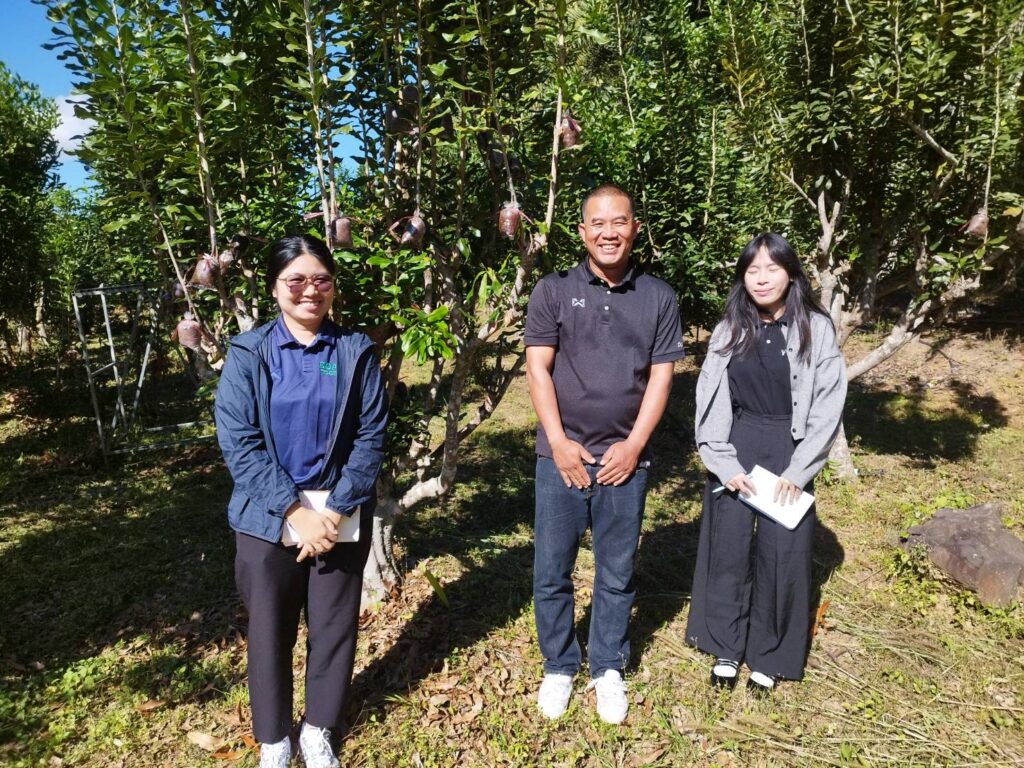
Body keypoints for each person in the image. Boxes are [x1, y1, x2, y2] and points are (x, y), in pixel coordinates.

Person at [214, 234, 388, 768]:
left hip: (338, 517)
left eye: (321, 280)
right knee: (269, 630)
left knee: (334, 628)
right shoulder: (249, 353)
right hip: (267, 518)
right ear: (274, 288)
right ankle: (274, 739)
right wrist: (295, 512)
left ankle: (317, 729)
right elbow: (239, 442)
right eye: (296, 280)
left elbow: (371, 437)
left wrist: (331, 512)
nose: (310, 291)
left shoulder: (354, 351)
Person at [524, 184, 685, 724]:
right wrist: (559, 443)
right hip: (560, 458)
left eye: (619, 222)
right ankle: (559, 664)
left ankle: (607, 665)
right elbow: (537, 368)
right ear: (582, 231)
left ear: (635, 228)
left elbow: (661, 377)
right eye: (598, 223)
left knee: (616, 570)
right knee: (553, 570)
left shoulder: (658, 297)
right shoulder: (553, 290)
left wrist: (634, 445)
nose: (608, 232)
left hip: (624, 461)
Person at [686, 232, 847, 694]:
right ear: (742, 278)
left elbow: (828, 404)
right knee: (728, 544)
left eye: (771, 269)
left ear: (790, 274)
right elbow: (710, 397)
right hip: (738, 442)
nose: (761, 278)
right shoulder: (730, 328)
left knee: (783, 550)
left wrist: (800, 471)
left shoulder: (816, 328)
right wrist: (721, 460)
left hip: (789, 446)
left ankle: (770, 653)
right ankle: (725, 643)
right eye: (752, 270)